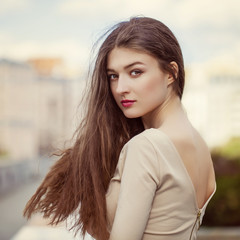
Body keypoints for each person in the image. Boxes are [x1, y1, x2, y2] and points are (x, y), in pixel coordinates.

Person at [24, 17, 216, 240]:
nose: (120, 88)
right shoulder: (199, 144)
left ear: (171, 73)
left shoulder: (148, 146)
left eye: (135, 72)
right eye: (113, 76)